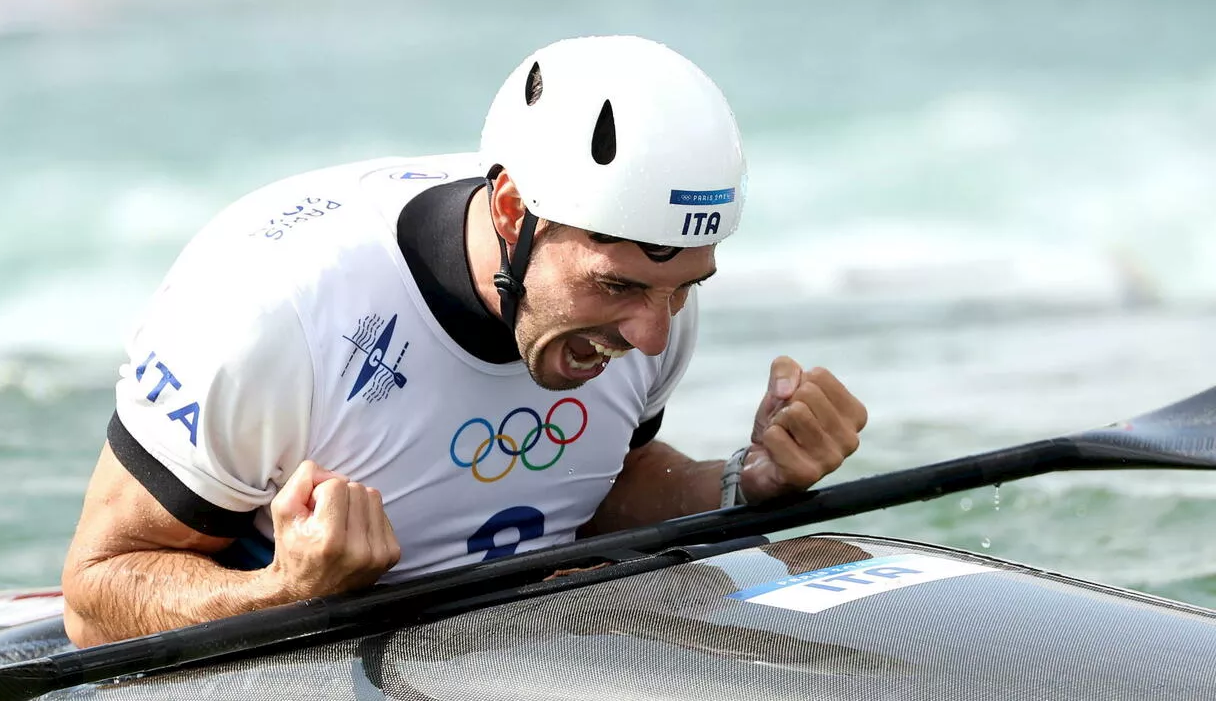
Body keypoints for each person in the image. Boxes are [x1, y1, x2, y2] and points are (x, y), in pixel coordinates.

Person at [60, 35, 868, 648]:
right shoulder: (274, 312)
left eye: (685, 288)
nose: (652, 333)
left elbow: (595, 481)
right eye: (618, 286)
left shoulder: (650, 301)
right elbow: (93, 600)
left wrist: (735, 487)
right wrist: (285, 588)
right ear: (513, 213)